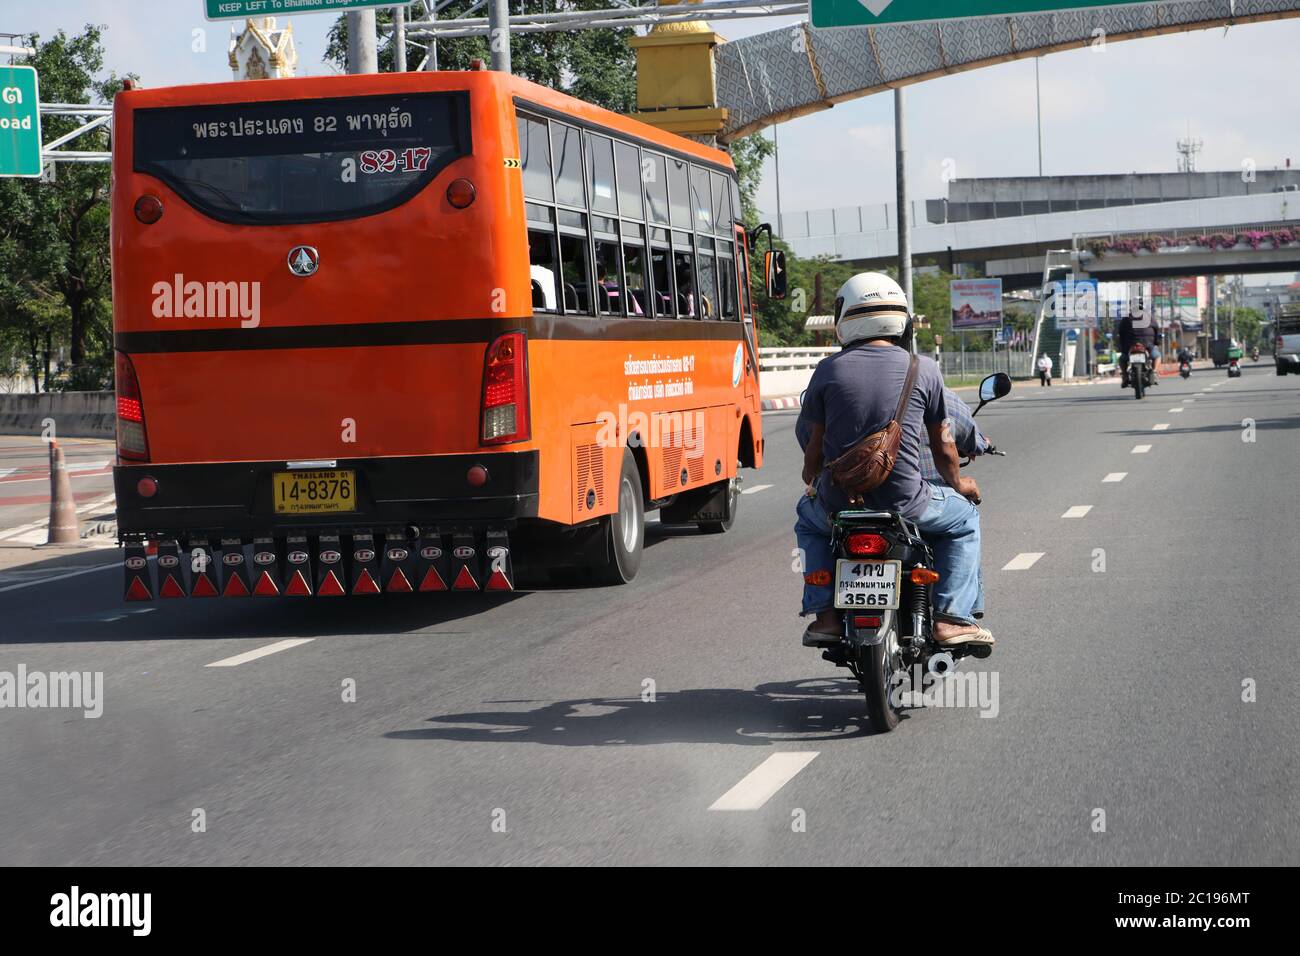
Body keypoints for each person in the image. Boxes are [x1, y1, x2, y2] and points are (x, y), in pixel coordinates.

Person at [794, 272, 993, 647]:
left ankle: (825, 616)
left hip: (840, 503)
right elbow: (945, 444)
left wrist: (814, 480)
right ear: (900, 317)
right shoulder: (924, 368)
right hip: (908, 503)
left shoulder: (827, 370)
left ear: (846, 316)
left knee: (808, 521)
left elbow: (812, 449)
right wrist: (959, 484)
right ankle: (951, 618)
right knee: (965, 520)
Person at [1117, 313, 1158, 386]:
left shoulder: (1126, 318)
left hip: (1130, 345)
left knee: (1122, 359)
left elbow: (1121, 333)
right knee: (1157, 356)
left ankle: (1125, 375)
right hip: (1147, 345)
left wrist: (1122, 347)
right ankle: (1154, 372)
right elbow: (1156, 329)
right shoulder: (1149, 316)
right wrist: (1156, 342)